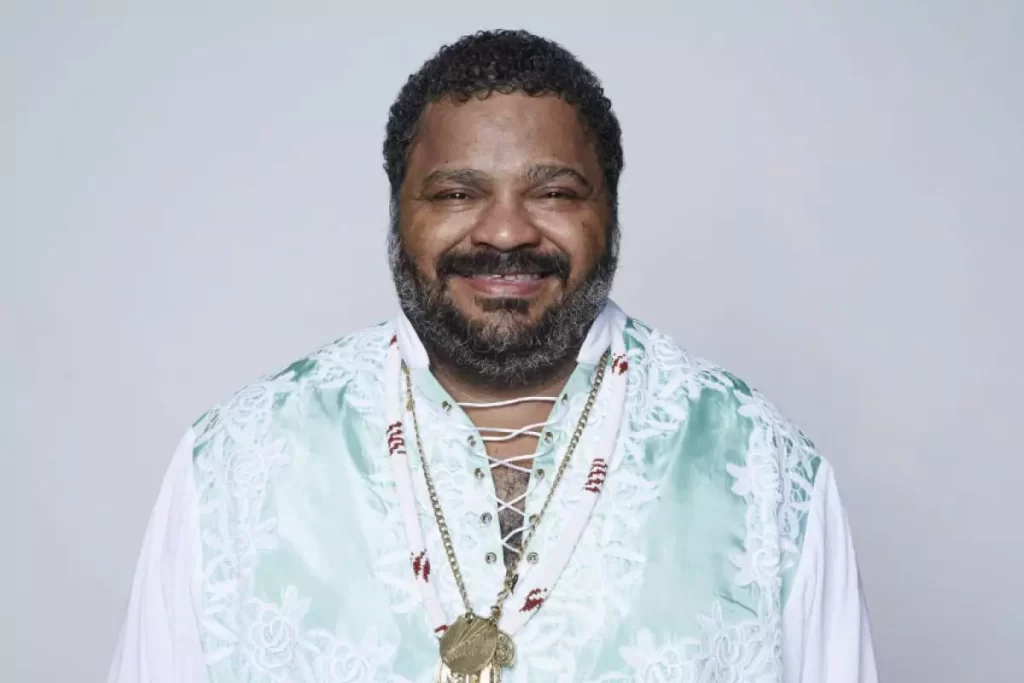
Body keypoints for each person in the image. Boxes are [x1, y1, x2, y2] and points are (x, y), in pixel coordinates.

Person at [108, 29, 878, 683]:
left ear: (610, 209)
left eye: (555, 192)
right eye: (456, 193)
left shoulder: (763, 469)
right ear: (397, 211)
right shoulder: (234, 464)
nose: (506, 231)